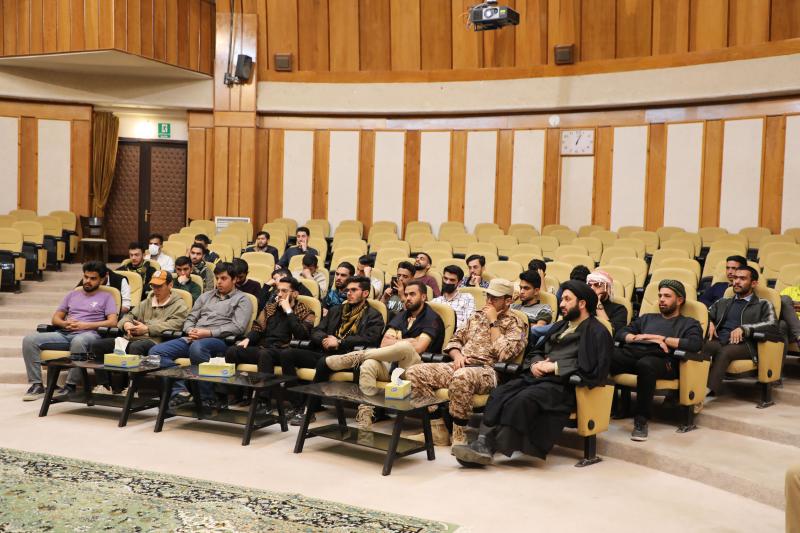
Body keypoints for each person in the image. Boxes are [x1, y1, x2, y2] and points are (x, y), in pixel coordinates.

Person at [451, 281, 612, 466]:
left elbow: (594, 366)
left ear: (582, 303)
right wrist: (535, 363)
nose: (561, 304)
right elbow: (536, 350)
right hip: (538, 378)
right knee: (500, 393)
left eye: (567, 299)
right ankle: (482, 442)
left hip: (564, 385)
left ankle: (489, 447)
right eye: (562, 299)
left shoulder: (598, 331)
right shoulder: (561, 325)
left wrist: (556, 367)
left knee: (523, 399)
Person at [404, 278, 528, 447]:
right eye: (488, 296)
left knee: (462, 376)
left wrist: (493, 322)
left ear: (508, 301)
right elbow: (455, 341)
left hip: (488, 371)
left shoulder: (516, 323)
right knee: (414, 372)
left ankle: (459, 434)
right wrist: (457, 356)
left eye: (495, 298)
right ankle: (436, 429)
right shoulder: (476, 316)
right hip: (461, 365)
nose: (489, 301)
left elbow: (504, 354)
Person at [321, 280, 444, 429]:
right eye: (406, 294)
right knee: (369, 365)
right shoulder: (402, 315)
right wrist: (407, 340)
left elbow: (419, 347)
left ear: (423, 297)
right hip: (394, 367)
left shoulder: (432, 318)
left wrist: (399, 341)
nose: (407, 298)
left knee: (405, 347)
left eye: (412, 294)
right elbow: (384, 343)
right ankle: (366, 417)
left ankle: (358, 356)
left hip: (417, 370)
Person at [279, 276, 385, 424]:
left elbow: (370, 339)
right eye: (348, 290)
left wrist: (340, 342)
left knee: (324, 362)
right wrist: (325, 339)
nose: (349, 293)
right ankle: (297, 405)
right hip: (324, 351)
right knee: (287, 354)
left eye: (354, 290)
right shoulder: (336, 310)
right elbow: (316, 331)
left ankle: (309, 410)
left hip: (349, 357)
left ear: (365, 293)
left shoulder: (374, 315)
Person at [149, 262, 253, 408]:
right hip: (193, 337)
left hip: (220, 340)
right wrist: (190, 330)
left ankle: (207, 397)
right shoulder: (205, 296)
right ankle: (182, 390)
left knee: (198, 347)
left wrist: (208, 333)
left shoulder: (242, 299)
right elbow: (190, 318)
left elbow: (238, 327)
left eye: (223, 278)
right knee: (156, 352)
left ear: (235, 279)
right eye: (217, 278)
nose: (219, 282)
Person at [611, 280, 703, 441]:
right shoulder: (647, 318)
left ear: (679, 300)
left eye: (667, 296)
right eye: (660, 295)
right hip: (635, 353)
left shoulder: (689, 323)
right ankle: (601, 408)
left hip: (665, 362)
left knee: (646, 364)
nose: (661, 299)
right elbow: (621, 333)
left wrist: (662, 339)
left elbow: (694, 344)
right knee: (606, 355)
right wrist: (638, 337)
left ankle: (641, 420)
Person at [21, 261, 119, 401]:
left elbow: (112, 322)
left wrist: (85, 325)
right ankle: (37, 385)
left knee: (79, 341)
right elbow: (55, 318)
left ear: (102, 279)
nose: (88, 281)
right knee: (29, 340)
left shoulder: (107, 297)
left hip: (89, 335)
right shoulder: (73, 294)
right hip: (65, 333)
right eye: (86, 277)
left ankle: (70, 386)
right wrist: (64, 323)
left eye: (93, 278)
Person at [90, 270, 189, 393]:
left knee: (136, 347)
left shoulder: (179, 305)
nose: (155, 289)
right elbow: (129, 315)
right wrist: (127, 324)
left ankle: (132, 389)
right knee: (98, 345)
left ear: (170, 285)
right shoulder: (147, 301)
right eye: (153, 286)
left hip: (156, 341)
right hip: (131, 338)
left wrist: (147, 328)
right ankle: (105, 386)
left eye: (159, 286)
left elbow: (176, 324)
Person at [705, 266, 778, 400]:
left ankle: (704, 392)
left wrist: (745, 329)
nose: (737, 282)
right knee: (698, 345)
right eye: (735, 278)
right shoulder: (723, 302)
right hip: (720, 339)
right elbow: (705, 314)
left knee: (725, 352)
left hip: (746, 344)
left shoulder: (763, 304)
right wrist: (708, 322)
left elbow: (772, 324)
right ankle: (685, 387)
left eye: (742, 278)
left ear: (753, 283)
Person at [224, 276, 315, 381]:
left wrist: (288, 311)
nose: (279, 294)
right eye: (278, 290)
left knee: (266, 354)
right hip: (264, 348)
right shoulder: (270, 308)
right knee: (232, 351)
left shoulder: (306, 312)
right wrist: (248, 339)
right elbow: (258, 328)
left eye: (284, 291)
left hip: (284, 352)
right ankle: (233, 390)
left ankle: (264, 391)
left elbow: (302, 335)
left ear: (295, 294)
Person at [587, 269, 628, 334]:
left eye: (597, 285)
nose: (592, 288)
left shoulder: (619, 309)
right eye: (589, 285)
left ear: (608, 288)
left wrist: (598, 303)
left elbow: (610, 332)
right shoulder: (584, 305)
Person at [778, 281, 800, 345]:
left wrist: (790, 305)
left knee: (782, 325)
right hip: (787, 322)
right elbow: (778, 303)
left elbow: (786, 306)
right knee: (785, 298)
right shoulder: (789, 290)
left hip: (794, 328)